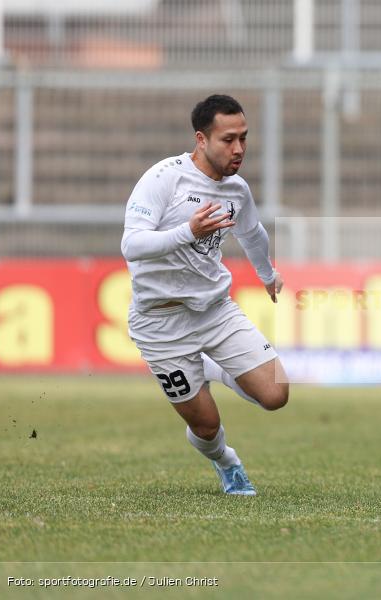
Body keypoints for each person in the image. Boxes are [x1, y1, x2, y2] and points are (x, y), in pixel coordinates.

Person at [121, 94, 289, 496]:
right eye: (228, 139)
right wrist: (188, 232)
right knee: (206, 425)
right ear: (201, 139)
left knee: (275, 394)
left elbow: (253, 234)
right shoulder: (164, 179)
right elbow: (132, 245)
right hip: (160, 322)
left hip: (215, 311)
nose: (239, 149)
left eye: (244, 138)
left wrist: (268, 275)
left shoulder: (237, 190)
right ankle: (227, 462)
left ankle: (210, 367)